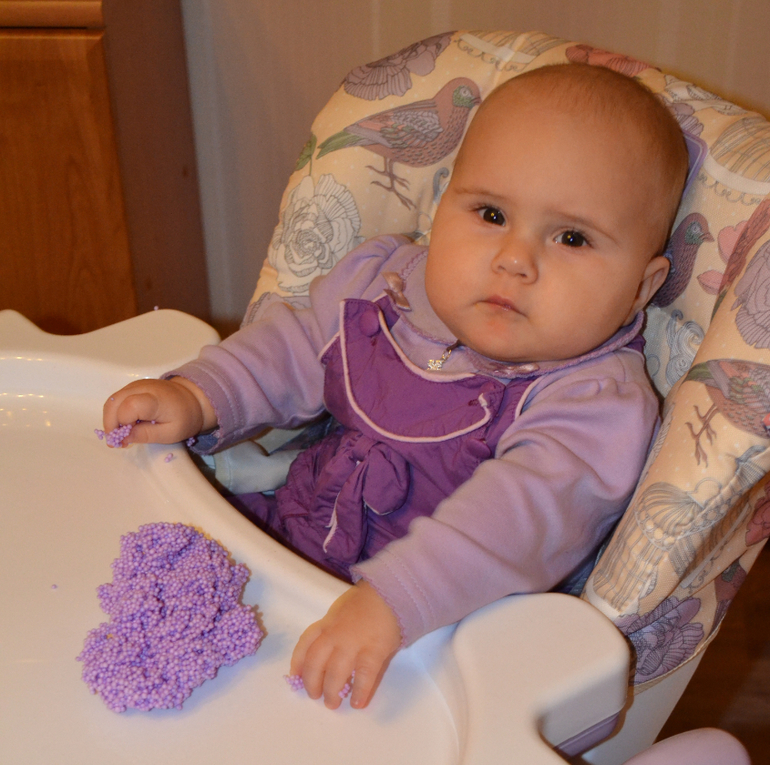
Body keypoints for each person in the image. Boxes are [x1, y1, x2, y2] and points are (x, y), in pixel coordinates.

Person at [102, 63, 689, 712]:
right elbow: (294, 348)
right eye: (491, 213)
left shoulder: (595, 403)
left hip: (437, 635)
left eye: (572, 237)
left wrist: (396, 599)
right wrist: (202, 394)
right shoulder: (386, 287)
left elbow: (519, 518)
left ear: (641, 286)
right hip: (293, 535)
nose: (514, 259)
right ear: (441, 209)